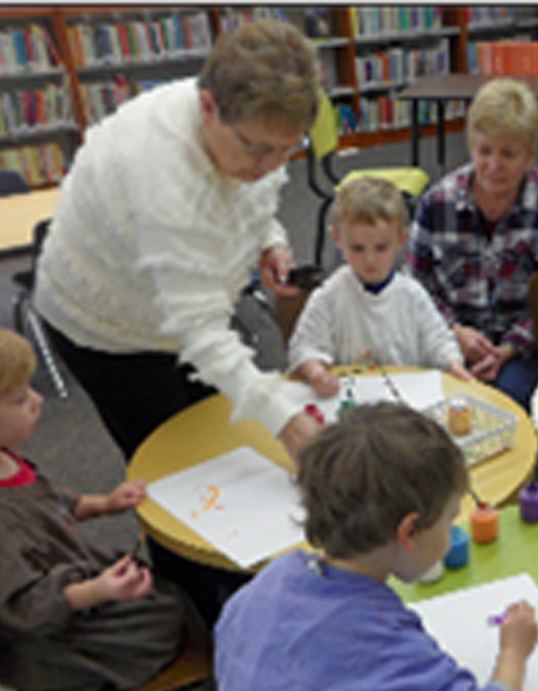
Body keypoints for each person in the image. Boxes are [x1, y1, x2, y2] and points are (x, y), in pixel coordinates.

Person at [34, 19, 324, 463]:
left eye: (288, 148)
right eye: (258, 149)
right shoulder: (162, 177)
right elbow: (199, 331)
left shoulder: (246, 128)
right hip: (108, 327)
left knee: (214, 433)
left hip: (174, 300)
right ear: (207, 107)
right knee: (171, 462)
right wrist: (285, 420)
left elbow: (249, 193)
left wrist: (269, 239)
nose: (271, 163)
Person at [214, 402, 538, 691]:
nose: (451, 532)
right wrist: (513, 652)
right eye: (449, 520)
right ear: (409, 532)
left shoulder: (263, 586)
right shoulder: (390, 652)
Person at [0, 321, 190, 691]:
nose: (38, 400)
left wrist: (105, 503)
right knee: (172, 617)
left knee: (170, 597)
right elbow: (25, 608)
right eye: (19, 399)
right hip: (46, 632)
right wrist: (98, 591)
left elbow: (48, 501)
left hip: (68, 578)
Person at [406, 77, 538, 411]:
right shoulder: (436, 204)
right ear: (470, 146)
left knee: (508, 401)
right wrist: (454, 331)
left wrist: (508, 348)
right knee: (426, 403)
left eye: (508, 154)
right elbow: (416, 288)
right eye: (484, 151)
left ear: (530, 157)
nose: (493, 166)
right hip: (448, 337)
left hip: (522, 347)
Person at [288, 176, 473, 396]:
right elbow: (305, 347)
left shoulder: (412, 295)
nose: (370, 259)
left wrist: (453, 364)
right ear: (337, 239)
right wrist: (317, 373)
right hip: (349, 398)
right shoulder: (329, 295)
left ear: (401, 239)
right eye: (358, 248)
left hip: (403, 398)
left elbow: (439, 342)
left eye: (381, 247)